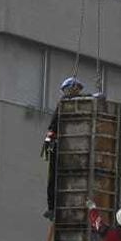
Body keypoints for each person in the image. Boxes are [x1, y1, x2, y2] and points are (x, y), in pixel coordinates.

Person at [42, 76, 88, 218]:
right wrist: (49, 142)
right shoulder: (64, 104)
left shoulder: (76, 104)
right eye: (75, 89)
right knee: (55, 177)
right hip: (58, 145)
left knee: (64, 177)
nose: (77, 91)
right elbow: (52, 126)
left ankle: (57, 207)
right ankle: (53, 207)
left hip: (69, 146)